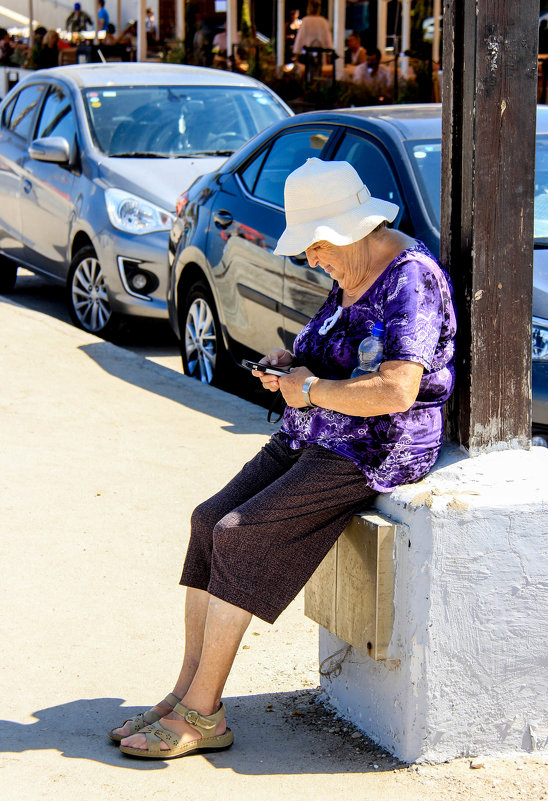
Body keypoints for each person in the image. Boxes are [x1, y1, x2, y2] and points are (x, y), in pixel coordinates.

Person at [108, 158, 456, 759]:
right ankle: (184, 691)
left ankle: (204, 712)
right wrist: (289, 359)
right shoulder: (352, 268)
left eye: (315, 246)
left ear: (352, 228)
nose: (310, 258)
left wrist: (311, 390)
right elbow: (332, 343)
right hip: (313, 428)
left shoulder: (411, 279)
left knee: (241, 534)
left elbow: (397, 389)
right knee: (206, 519)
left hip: (374, 444)